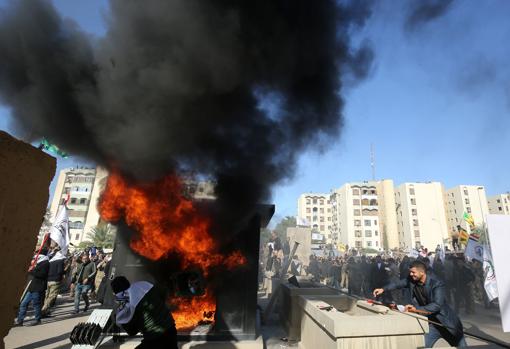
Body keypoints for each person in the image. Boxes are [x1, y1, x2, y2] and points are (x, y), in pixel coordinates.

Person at [373, 260, 466, 348]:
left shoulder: (437, 283)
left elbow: (437, 305)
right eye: (410, 272)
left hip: (447, 323)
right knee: (422, 346)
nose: (410, 274)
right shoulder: (411, 280)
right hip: (432, 325)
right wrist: (383, 289)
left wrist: (416, 309)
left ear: (422, 272)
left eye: (413, 272)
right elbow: (398, 284)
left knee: (462, 347)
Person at [111, 276, 177, 349]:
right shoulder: (144, 285)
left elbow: (132, 331)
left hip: (155, 337)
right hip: (170, 327)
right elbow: (162, 294)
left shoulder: (129, 304)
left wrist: (117, 319)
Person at [15, 248, 50, 326]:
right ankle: (20, 320)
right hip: (32, 287)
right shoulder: (39, 263)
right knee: (24, 303)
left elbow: (42, 275)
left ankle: (38, 319)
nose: (36, 255)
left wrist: (31, 271)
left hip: (38, 287)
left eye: (38, 253)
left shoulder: (45, 263)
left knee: (36, 304)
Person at [41, 246, 67, 317]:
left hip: (48, 280)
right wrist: (65, 270)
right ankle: (43, 310)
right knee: (52, 296)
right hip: (55, 281)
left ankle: (45, 311)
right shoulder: (60, 261)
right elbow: (60, 271)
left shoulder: (51, 261)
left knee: (47, 296)